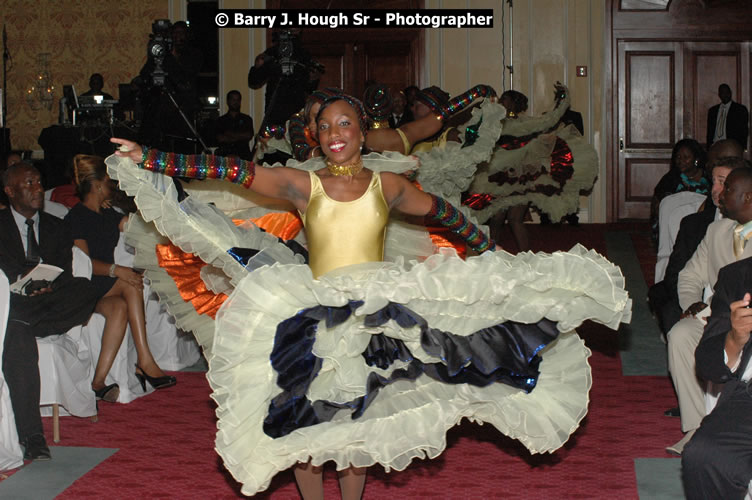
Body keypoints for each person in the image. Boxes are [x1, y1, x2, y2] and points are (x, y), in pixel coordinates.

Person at [107, 93, 629, 498]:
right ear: (316, 135)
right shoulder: (300, 185)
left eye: (345, 125)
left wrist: (493, 258)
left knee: (358, 422)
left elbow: (443, 214)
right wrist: (149, 156)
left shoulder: (386, 185)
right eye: (326, 126)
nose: (335, 134)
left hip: (376, 311)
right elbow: (231, 170)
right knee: (303, 422)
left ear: (362, 134)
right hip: (312, 312)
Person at [0, 162, 102, 460]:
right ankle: (32, 436)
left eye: (39, 182)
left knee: (85, 288)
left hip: (48, 303)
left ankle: (26, 323)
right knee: (17, 331)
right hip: (13, 303)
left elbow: (66, 273)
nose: (38, 189)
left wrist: (49, 285)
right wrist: (23, 283)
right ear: (10, 191)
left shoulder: (57, 225)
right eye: (29, 183)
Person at [64, 155, 175, 394]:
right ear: (96, 186)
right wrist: (117, 270)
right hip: (83, 287)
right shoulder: (76, 217)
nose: (112, 186)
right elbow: (83, 265)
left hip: (105, 287)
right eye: (108, 182)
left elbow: (136, 225)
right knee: (131, 283)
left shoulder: (108, 214)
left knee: (121, 307)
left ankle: (98, 382)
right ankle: (145, 360)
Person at [666, 166, 752, 455]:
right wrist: (693, 303)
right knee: (680, 334)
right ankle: (696, 427)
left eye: (728, 189)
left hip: (748, 327)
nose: (720, 194)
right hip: (714, 318)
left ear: (748, 197)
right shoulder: (716, 231)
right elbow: (689, 276)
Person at [682, 256, 752, 499]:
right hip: (748, 401)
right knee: (703, 455)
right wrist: (735, 338)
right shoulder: (739, 275)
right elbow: (707, 364)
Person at [248, 29, 321, 132]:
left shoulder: (303, 55)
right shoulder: (272, 53)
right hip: (275, 110)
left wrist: (313, 79)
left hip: (296, 110)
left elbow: (309, 88)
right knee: (273, 144)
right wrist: (257, 67)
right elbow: (254, 81)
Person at [650, 138, 708, 246]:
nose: (680, 161)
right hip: (674, 220)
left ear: (696, 159)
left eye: (686, 157)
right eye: (678, 157)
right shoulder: (671, 178)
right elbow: (658, 203)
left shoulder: (708, 178)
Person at [707, 83, 749, 150]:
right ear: (719, 95)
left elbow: (744, 130)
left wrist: (743, 147)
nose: (725, 95)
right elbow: (710, 131)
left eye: (727, 92)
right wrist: (709, 146)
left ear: (731, 93)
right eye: (723, 93)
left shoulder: (740, 109)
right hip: (716, 145)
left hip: (732, 146)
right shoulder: (713, 111)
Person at [215, 90, 254, 161]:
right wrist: (240, 136)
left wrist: (229, 134)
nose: (236, 102)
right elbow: (220, 138)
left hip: (243, 156)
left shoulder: (247, 119)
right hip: (224, 156)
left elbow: (249, 135)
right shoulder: (220, 120)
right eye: (233, 100)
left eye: (238, 100)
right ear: (228, 101)